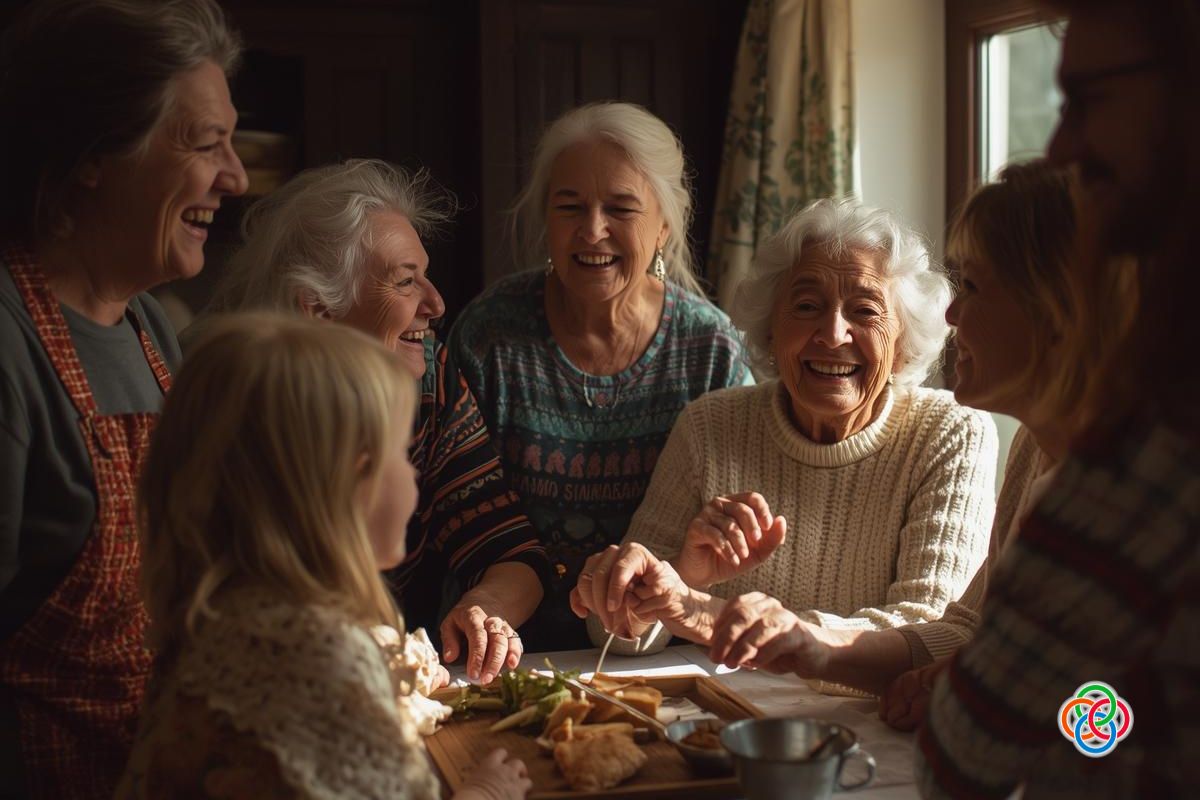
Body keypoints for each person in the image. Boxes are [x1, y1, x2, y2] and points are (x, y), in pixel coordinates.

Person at [650, 162, 1117, 729]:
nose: (948, 314)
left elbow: (1116, 723)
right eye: (806, 306)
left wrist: (989, 715)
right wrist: (825, 649)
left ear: (1054, 310)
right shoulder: (1036, 448)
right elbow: (964, 632)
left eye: (970, 285)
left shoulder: (1128, 487)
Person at [916, 1, 1200, 797]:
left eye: (1088, 100)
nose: (1064, 143)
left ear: (1053, 307)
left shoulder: (1135, 467)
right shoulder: (1046, 458)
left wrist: (1054, 711)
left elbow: (968, 756)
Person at [117, 313, 530, 800]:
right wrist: (484, 792)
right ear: (350, 486)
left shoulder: (212, 625)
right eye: (400, 452)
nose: (413, 474)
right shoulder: (328, 661)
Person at [0, 1, 248, 796]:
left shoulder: (152, 328)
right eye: (206, 143)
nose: (236, 176)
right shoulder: (9, 344)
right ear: (93, 155)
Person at [572, 198, 997, 658]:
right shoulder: (710, 425)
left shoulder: (950, 433)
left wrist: (700, 611)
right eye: (808, 305)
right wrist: (679, 574)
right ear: (771, 330)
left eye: (865, 311)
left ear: (901, 343)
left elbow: (925, 632)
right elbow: (611, 631)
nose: (833, 334)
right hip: (722, 717)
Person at [207, 159, 549, 687]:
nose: (436, 304)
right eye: (405, 282)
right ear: (319, 310)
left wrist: (484, 607)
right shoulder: (234, 418)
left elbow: (507, 549)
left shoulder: (431, 382)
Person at [449, 101, 752, 651]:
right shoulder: (489, 336)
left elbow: (728, 533)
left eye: (620, 208)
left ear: (662, 226)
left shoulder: (709, 349)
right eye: (570, 207)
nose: (592, 231)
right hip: (505, 647)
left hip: (659, 654)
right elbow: (463, 512)